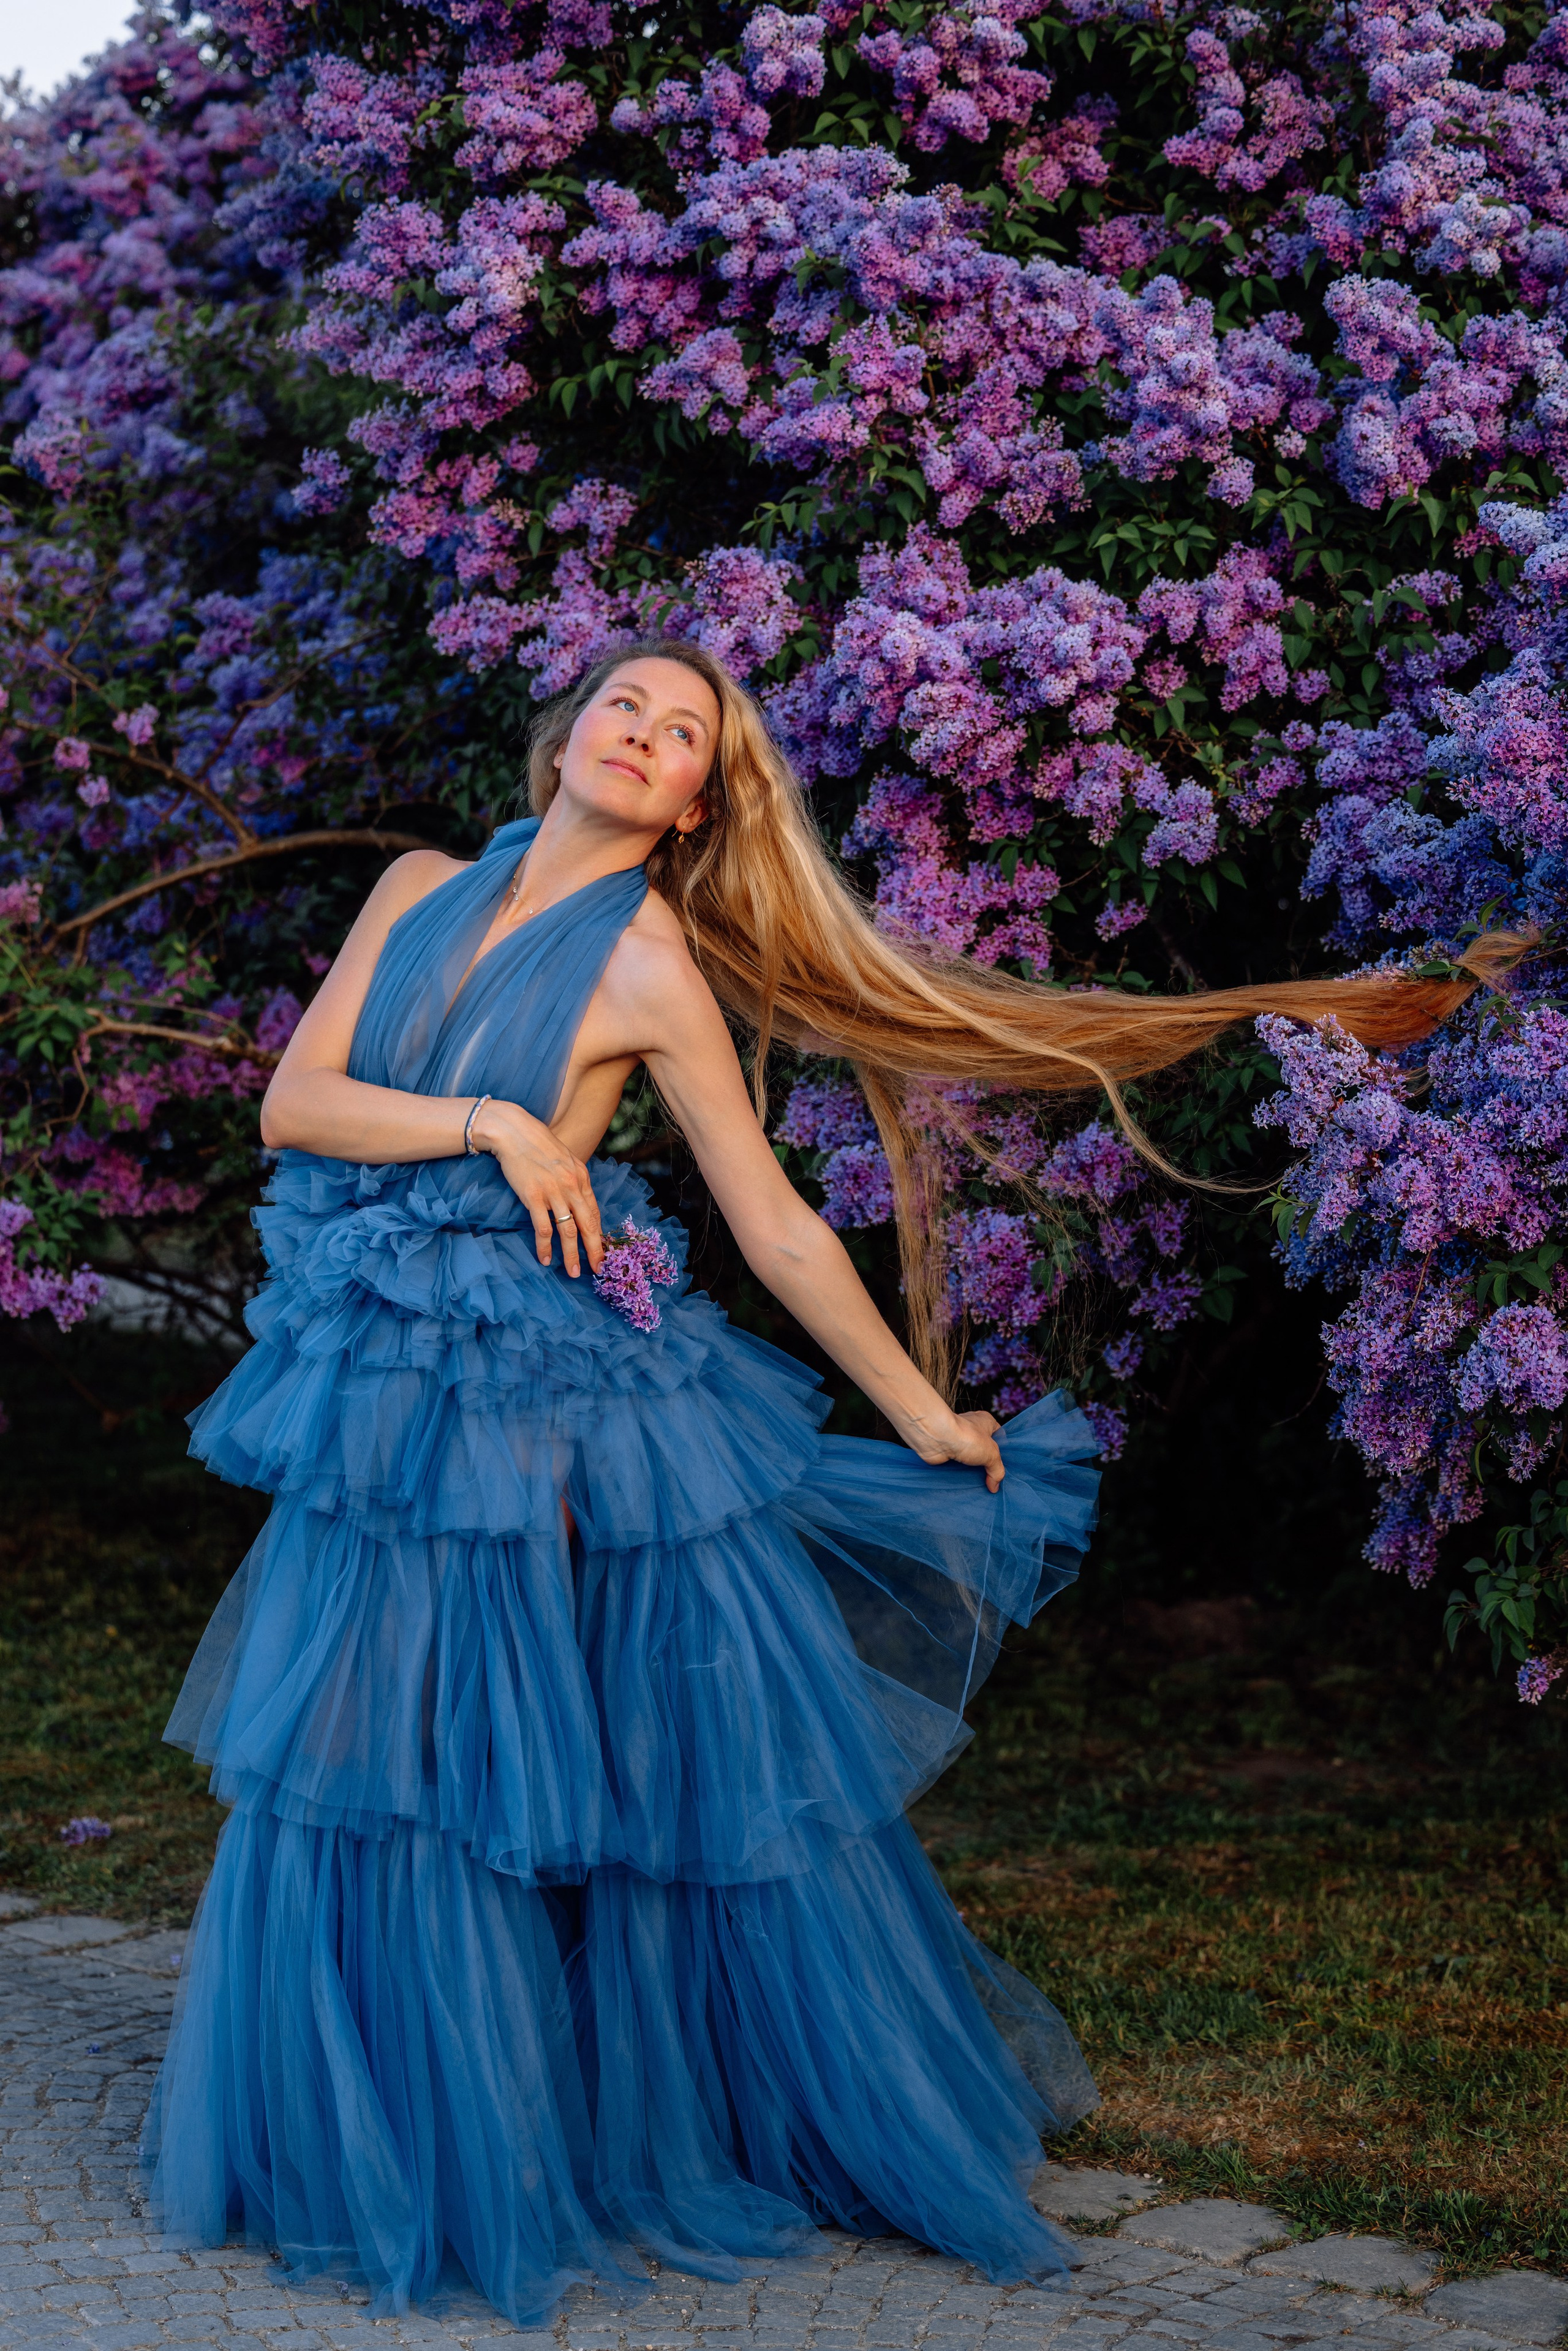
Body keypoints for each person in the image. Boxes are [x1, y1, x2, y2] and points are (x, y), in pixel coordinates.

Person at [141, 640, 1503, 2324]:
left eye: (684, 731)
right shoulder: (418, 884)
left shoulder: (647, 964)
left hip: (544, 1396)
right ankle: (343, 2136)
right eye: (625, 708)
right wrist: (499, 1129)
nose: (645, 736)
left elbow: (777, 1224)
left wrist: (925, 1412)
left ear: (702, 797)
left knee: (491, 1754)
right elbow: (298, 1101)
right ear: (564, 738)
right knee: (353, 1742)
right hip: (381, 1373)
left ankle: (509, 2142)